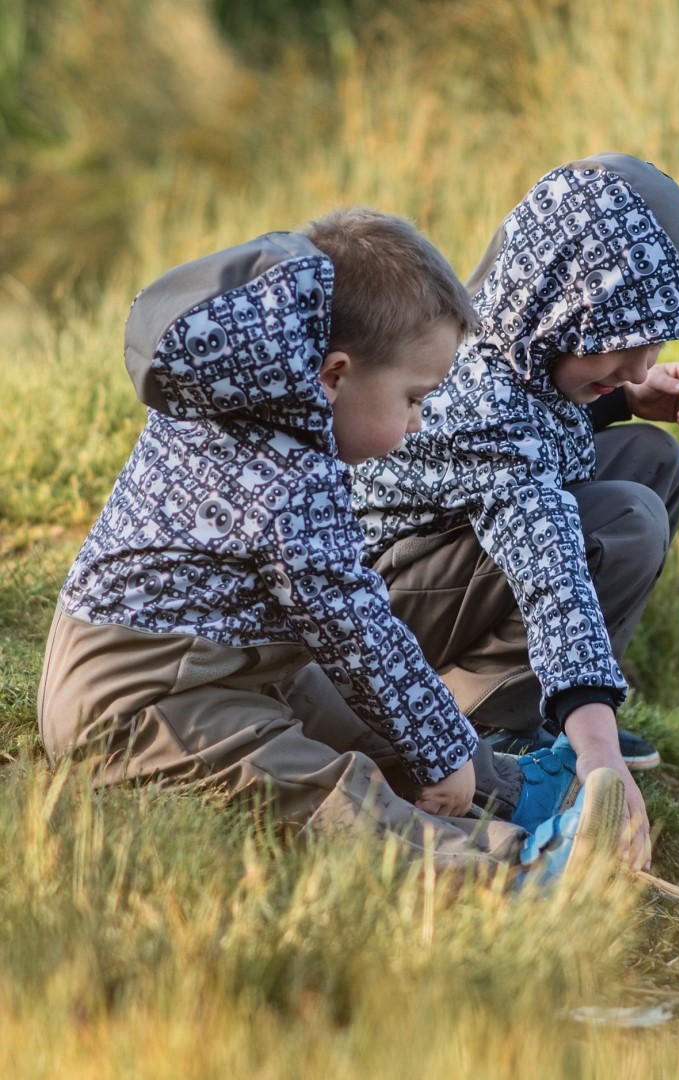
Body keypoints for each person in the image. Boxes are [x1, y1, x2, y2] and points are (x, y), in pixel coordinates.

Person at [37, 209, 625, 884]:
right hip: (140, 706)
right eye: (412, 397)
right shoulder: (286, 476)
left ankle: (518, 795)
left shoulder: (247, 404)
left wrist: (439, 749)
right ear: (334, 375)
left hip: (227, 664)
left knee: (349, 708)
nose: (417, 419)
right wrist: (438, 753)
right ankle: (508, 870)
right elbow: (355, 629)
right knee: (326, 788)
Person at [353, 154, 679, 871]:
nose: (644, 365)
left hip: (439, 558)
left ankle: (557, 720)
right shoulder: (484, 401)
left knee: (649, 459)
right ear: (562, 305)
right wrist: (601, 754)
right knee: (623, 519)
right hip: (376, 603)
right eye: (626, 341)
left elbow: (540, 430)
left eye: (655, 342)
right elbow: (550, 573)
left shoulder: (514, 337)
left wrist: (620, 398)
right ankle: (497, 724)